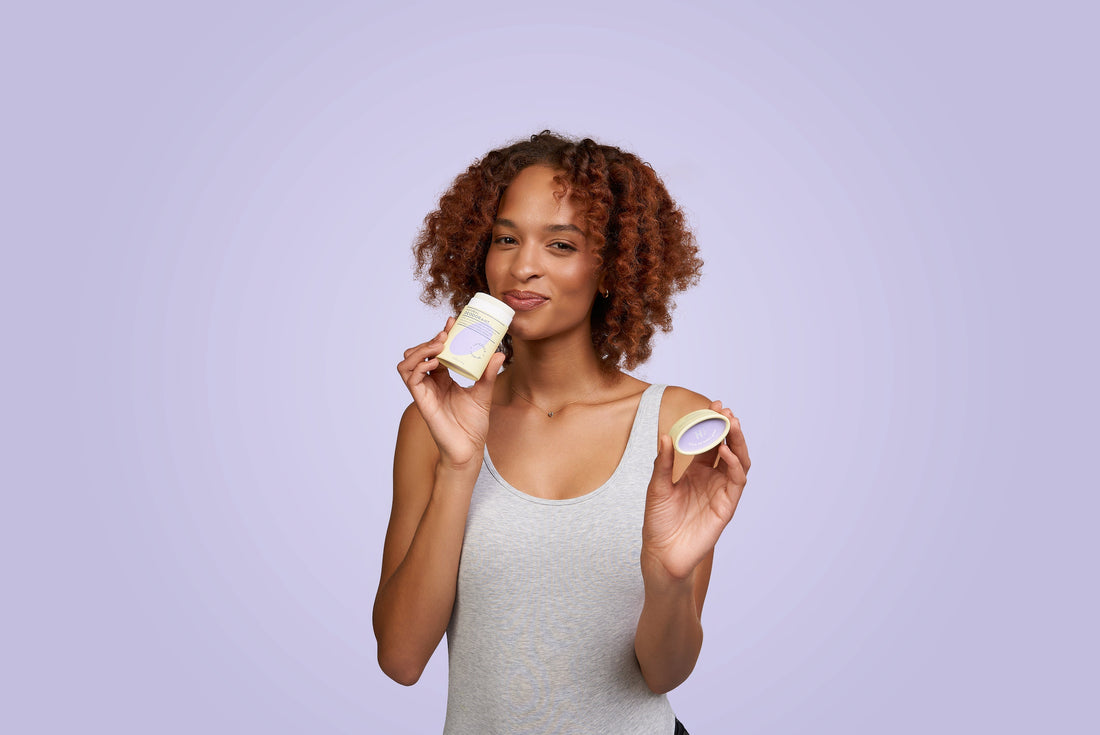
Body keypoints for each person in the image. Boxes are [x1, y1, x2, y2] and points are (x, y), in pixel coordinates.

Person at [373, 132, 751, 734]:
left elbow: (664, 672)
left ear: (611, 267)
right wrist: (460, 465)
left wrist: (671, 577)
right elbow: (400, 658)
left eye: (560, 244)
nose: (523, 265)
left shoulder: (675, 423)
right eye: (505, 239)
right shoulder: (431, 424)